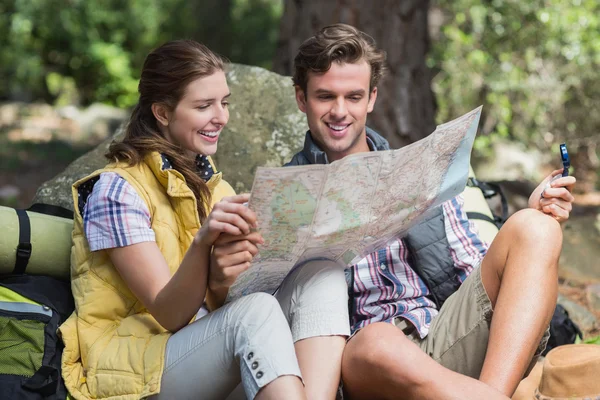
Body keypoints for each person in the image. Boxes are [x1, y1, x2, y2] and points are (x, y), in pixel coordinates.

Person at [285, 24, 577, 400]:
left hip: (444, 334)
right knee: (376, 342)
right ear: (301, 98)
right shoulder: (287, 199)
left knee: (536, 228)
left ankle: (489, 395)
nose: (340, 111)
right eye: (325, 97)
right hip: (366, 363)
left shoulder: (417, 169)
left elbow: (473, 268)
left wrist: (522, 233)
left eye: (353, 96)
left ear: (371, 98)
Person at [59, 40, 312, 400]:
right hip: (133, 367)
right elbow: (171, 313)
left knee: (319, 279)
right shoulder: (115, 191)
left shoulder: (216, 187)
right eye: (203, 106)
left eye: (224, 103)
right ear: (162, 112)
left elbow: (219, 307)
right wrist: (203, 242)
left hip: (198, 351)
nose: (221, 117)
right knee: (256, 312)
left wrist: (225, 279)